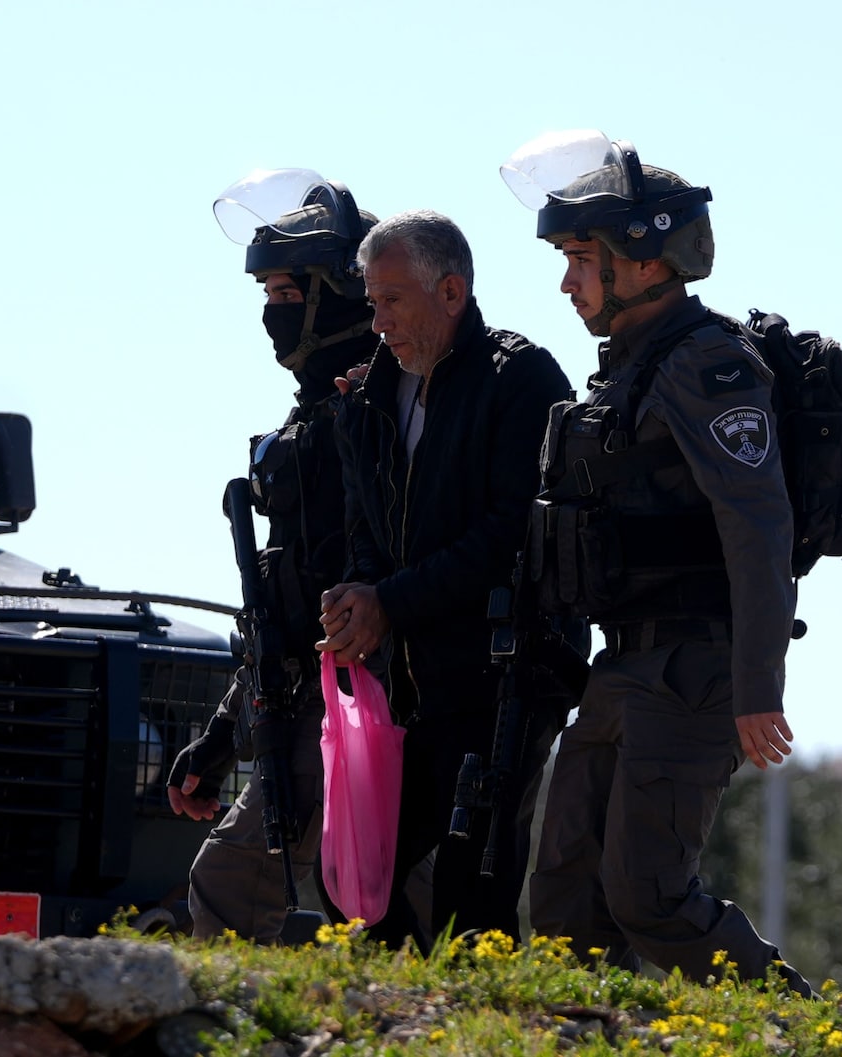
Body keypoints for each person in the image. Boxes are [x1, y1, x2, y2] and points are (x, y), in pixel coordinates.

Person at [501, 130, 815, 992]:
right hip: (626, 663)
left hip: (694, 670)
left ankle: (808, 1032)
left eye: (581, 259)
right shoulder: (630, 369)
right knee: (564, 895)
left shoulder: (707, 364)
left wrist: (758, 686)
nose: (567, 281)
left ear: (644, 263)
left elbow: (759, 525)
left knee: (649, 895)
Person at [318, 210, 573, 944]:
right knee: (350, 879)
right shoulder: (368, 395)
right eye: (372, 300)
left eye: (392, 299)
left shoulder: (521, 378)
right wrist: (355, 603)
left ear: (452, 291)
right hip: (412, 694)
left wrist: (388, 603)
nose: (378, 319)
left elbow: (504, 534)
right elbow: (365, 531)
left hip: (502, 682)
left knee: (475, 904)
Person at [169, 171, 380, 940]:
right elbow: (280, 605)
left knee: (245, 894)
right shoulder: (314, 420)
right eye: (267, 295)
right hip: (298, 714)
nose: (271, 315)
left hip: (364, 716)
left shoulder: (381, 418)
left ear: (340, 294)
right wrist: (225, 734)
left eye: (288, 295)